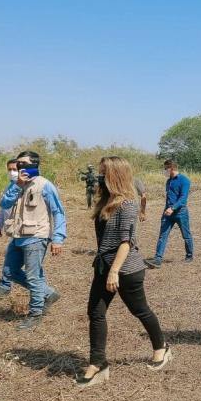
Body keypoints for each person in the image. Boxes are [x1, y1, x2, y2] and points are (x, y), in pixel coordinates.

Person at [77, 156, 171, 388]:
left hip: (126, 269)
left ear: (114, 176)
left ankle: (162, 348)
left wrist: (114, 271)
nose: (99, 176)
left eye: (102, 173)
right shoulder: (106, 201)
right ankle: (98, 363)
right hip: (104, 265)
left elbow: (126, 241)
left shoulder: (128, 204)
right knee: (95, 313)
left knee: (140, 310)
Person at [0, 150, 65, 329]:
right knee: (9, 272)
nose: (19, 168)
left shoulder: (44, 185)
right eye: (18, 164)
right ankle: (48, 293)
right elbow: (4, 204)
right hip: (17, 236)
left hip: (36, 236)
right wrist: (17, 184)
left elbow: (58, 212)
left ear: (35, 165)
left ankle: (35, 313)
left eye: (24, 164)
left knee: (33, 277)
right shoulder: (16, 184)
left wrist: (58, 239)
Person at [145, 160, 193, 268]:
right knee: (163, 235)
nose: (164, 171)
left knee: (186, 236)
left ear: (171, 168)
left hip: (181, 213)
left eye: (165, 168)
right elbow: (168, 198)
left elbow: (183, 198)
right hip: (167, 213)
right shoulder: (168, 181)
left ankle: (189, 256)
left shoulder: (184, 180)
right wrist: (166, 210)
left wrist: (173, 208)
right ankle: (158, 259)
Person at [0, 159, 19, 298]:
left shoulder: (26, 187)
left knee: (29, 263)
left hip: (25, 231)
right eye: (10, 169)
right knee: (11, 257)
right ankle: (5, 284)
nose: (12, 172)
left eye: (15, 169)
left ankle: (5, 284)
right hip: (12, 230)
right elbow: (3, 208)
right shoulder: (9, 187)